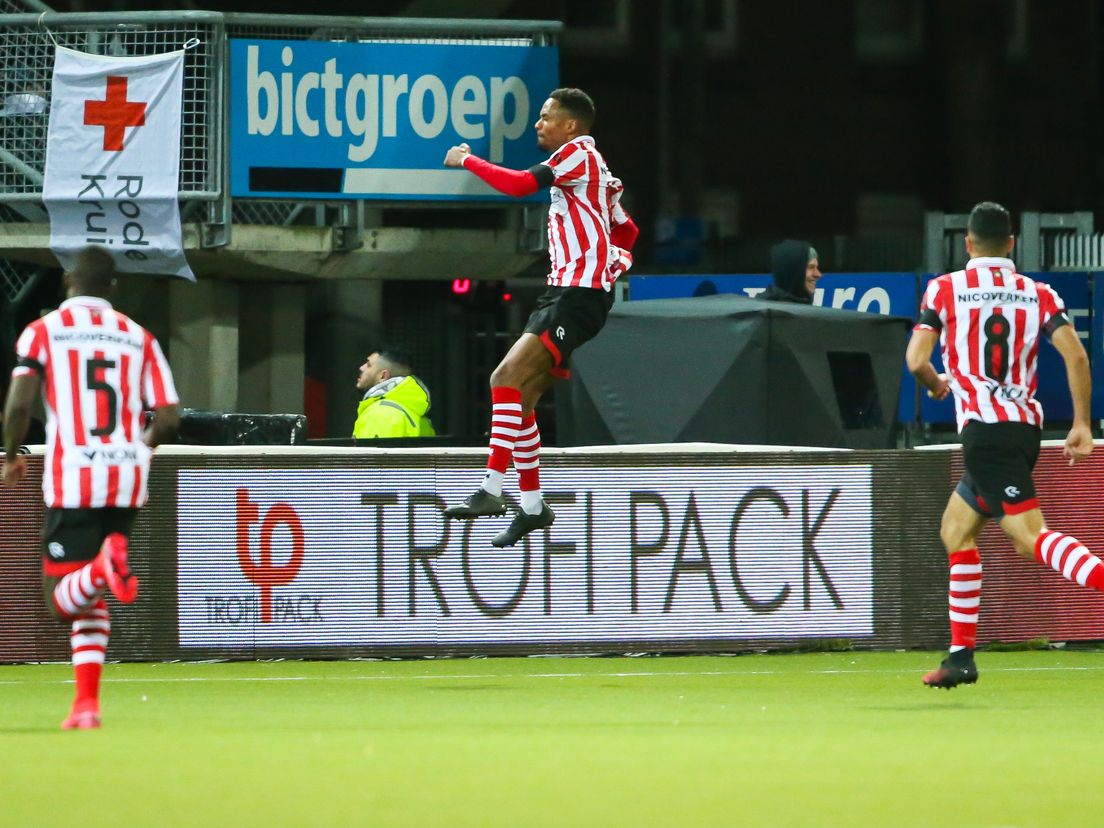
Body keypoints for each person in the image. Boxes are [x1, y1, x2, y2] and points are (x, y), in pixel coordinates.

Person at [906, 201, 1098, 689]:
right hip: (1020, 429)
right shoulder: (1038, 294)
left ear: (966, 244)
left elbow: (915, 360)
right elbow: (1075, 354)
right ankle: (960, 658)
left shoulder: (946, 289)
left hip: (985, 434)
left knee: (1027, 537)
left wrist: (934, 384)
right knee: (956, 528)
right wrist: (1080, 423)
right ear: (1012, 244)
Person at [440, 87, 638, 547]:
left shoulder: (577, 153)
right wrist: (614, 259)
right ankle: (532, 505)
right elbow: (628, 227)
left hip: (578, 294)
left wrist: (466, 161)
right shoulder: (593, 167)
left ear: (571, 126)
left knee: (503, 377)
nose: (538, 124)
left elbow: (519, 185)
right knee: (521, 397)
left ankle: (491, 489)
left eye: (546, 117)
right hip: (566, 291)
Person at [1, 246, 180, 729]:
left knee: (60, 598)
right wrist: (137, 451)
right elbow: (167, 416)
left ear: (67, 282)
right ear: (113, 288)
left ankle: (103, 566)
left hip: (74, 473)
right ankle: (86, 706)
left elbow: (20, 405)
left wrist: (11, 453)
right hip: (127, 474)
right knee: (91, 599)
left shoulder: (43, 331)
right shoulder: (138, 336)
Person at [352, 347, 435, 438]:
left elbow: (371, 452)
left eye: (368, 365)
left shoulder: (381, 414)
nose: (361, 368)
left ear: (383, 376)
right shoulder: (416, 414)